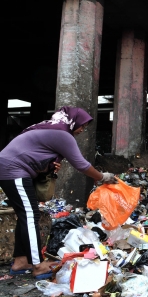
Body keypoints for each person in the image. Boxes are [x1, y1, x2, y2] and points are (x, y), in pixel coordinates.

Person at [0, 106, 117, 279]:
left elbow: (32, 153)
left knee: (26, 214)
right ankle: (38, 264)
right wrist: (102, 176)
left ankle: (21, 262)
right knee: (31, 215)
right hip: (14, 169)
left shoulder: (50, 128)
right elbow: (81, 165)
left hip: (11, 167)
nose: (82, 130)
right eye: (82, 125)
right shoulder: (63, 134)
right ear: (72, 121)